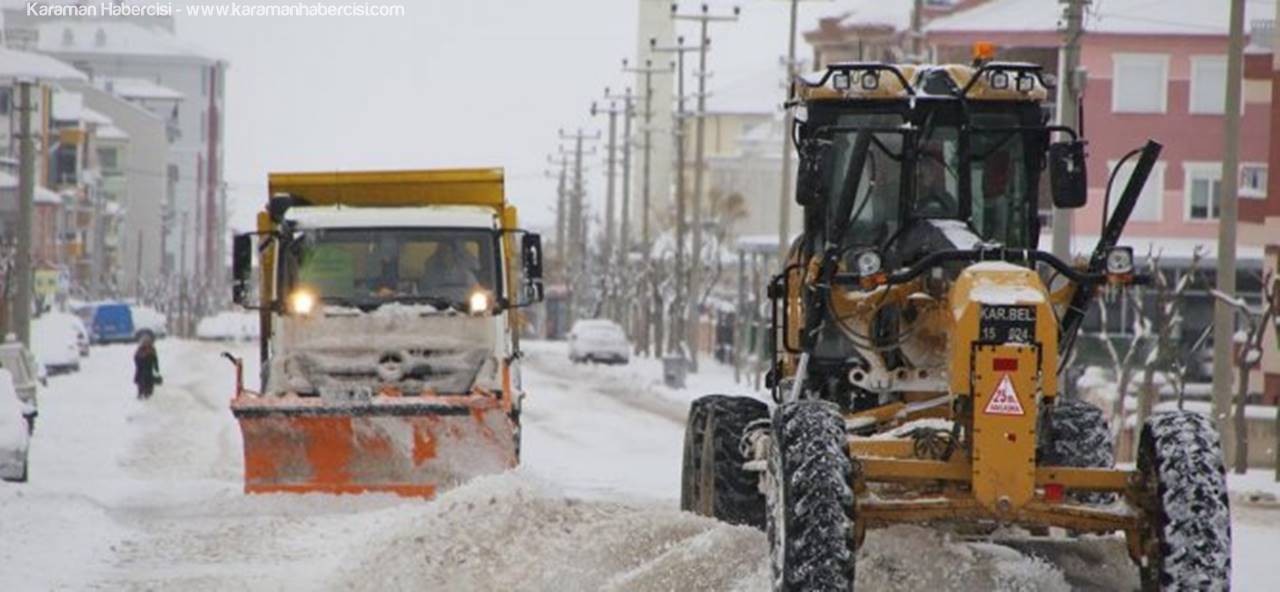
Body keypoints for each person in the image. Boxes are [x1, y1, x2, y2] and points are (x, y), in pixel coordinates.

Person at [133, 331, 161, 400]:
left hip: (148, 369)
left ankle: (147, 392)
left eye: (148, 342)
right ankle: (141, 393)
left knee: (148, 381)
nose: (146, 343)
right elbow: (136, 358)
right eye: (145, 342)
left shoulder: (152, 349)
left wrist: (156, 367)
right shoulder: (140, 349)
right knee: (141, 381)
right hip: (141, 369)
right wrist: (141, 359)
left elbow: (155, 359)